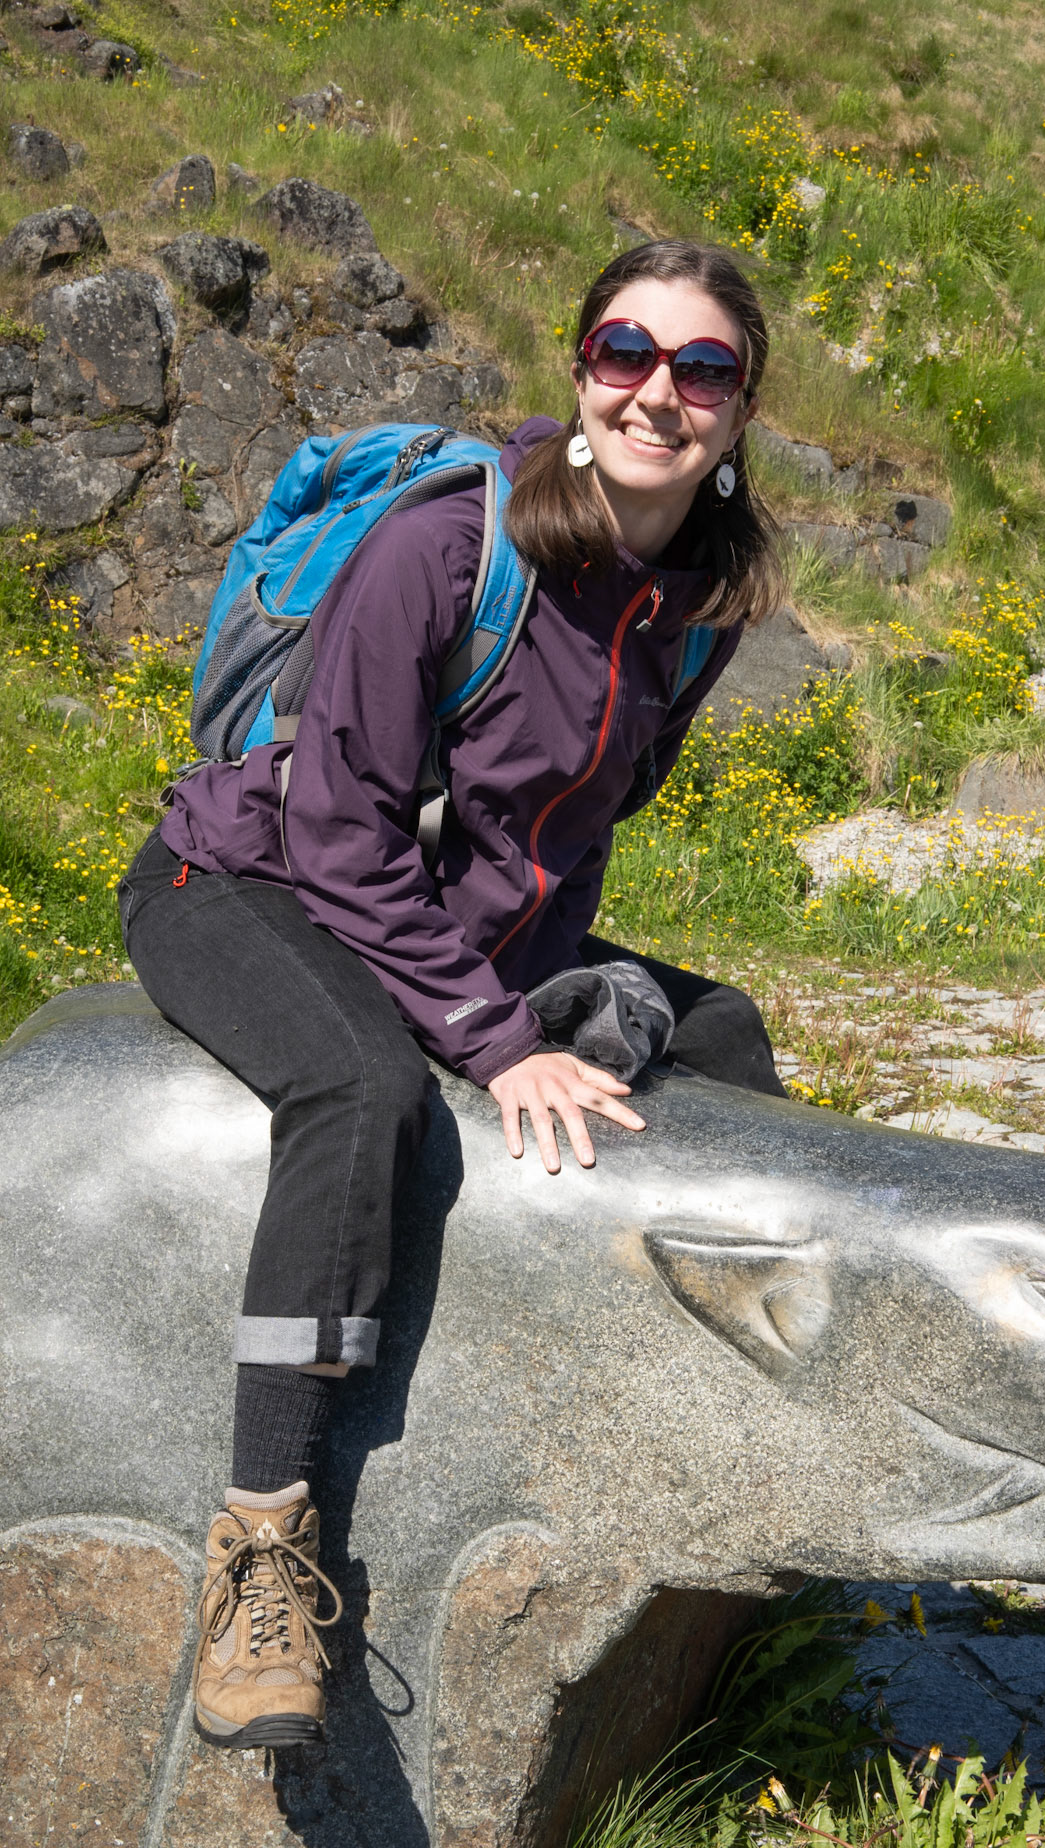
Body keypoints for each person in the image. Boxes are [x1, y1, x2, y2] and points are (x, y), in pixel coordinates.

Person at [117, 237, 789, 1754]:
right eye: (625, 353)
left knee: (719, 1030)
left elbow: (567, 830)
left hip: (421, 917)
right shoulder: (447, 548)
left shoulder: (700, 603)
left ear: (742, 411)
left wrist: (539, 988)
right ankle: (262, 1548)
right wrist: (492, 1039)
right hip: (247, 884)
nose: (658, 394)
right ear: (581, 369)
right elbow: (340, 829)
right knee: (362, 1092)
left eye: (702, 369)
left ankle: (726, 1454)